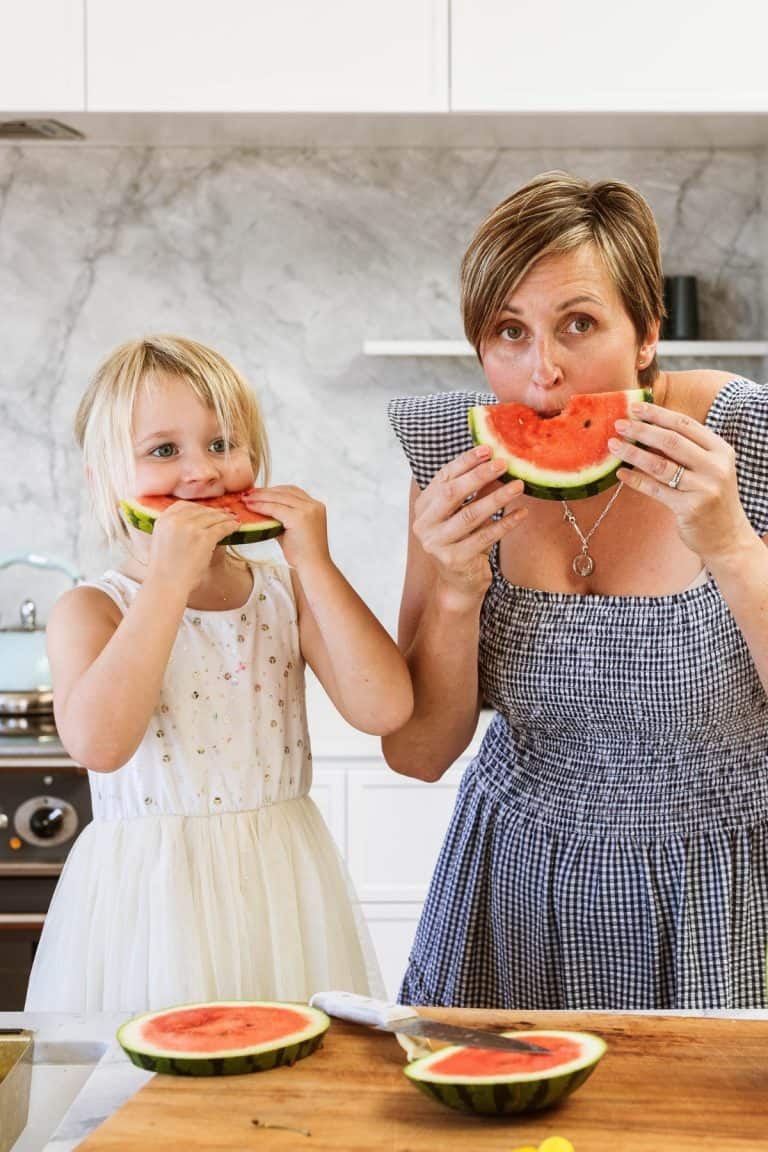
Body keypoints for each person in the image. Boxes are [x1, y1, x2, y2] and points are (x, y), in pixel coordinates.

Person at [384, 171, 768, 1011]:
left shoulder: (748, 439)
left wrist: (732, 546)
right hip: (512, 883)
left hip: (724, 887)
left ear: (646, 336)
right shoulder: (457, 463)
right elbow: (416, 754)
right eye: (508, 331)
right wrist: (454, 589)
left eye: (579, 324)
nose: (542, 371)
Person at [25, 334, 412, 1012]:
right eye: (164, 450)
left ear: (254, 458)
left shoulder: (285, 592)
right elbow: (101, 745)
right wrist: (167, 584)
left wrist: (316, 564)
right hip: (152, 899)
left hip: (283, 884)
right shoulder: (91, 608)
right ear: (104, 478)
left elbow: (385, 708)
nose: (201, 472)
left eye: (222, 443)